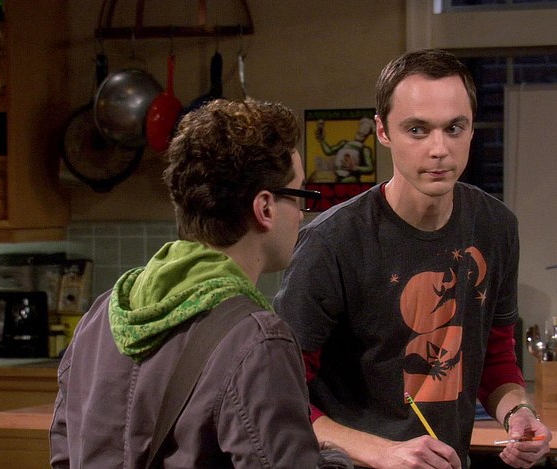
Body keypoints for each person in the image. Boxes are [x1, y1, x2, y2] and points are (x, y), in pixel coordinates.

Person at [273, 49, 552, 469]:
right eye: (418, 130)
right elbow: (277, 397)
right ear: (383, 131)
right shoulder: (332, 242)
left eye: (454, 128)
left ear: (472, 128)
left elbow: (495, 358)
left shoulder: (495, 226)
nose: (439, 149)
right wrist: (383, 452)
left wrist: (519, 414)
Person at [50, 98, 352, 468]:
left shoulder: (102, 314)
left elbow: (64, 456)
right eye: (300, 196)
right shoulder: (258, 339)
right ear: (265, 208)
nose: (302, 216)